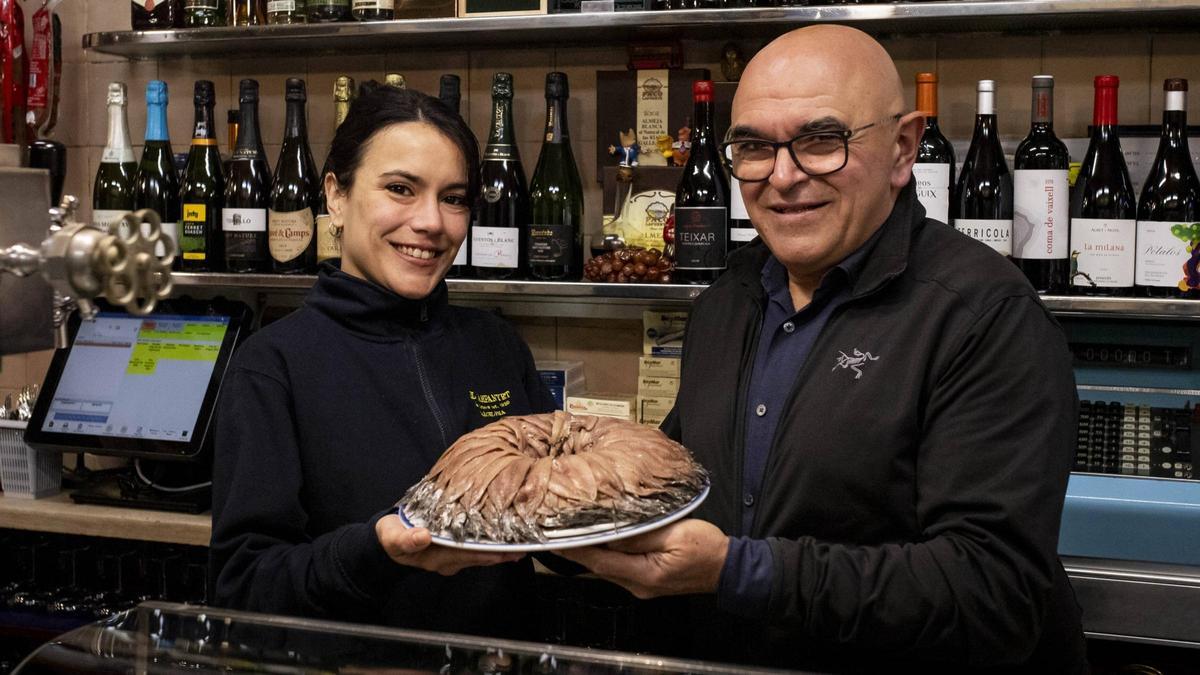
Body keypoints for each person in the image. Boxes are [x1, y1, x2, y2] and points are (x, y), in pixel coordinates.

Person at [561, 25, 1087, 673]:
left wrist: (738, 570)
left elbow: (993, 593)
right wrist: (536, 521)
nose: (782, 177)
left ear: (903, 148)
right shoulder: (727, 300)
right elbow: (681, 485)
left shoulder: (984, 316)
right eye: (753, 147)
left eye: (820, 140)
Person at [210, 84, 555, 638]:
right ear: (336, 197)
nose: (431, 223)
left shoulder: (495, 344)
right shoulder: (274, 365)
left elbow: (547, 516)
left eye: (454, 197)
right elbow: (244, 583)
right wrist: (374, 550)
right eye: (400, 189)